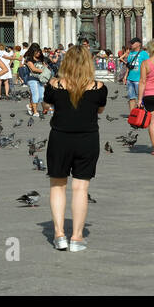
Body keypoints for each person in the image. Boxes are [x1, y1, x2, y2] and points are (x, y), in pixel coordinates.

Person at [44, 46, 107, 252]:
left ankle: (59, 235)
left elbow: (46, 105)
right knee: (81, 188)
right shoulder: (99, 87)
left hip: (60, 138)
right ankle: (77, 237)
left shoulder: (54, 84)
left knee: (57, 186)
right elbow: (99, 109)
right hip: (87, 139)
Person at [123, 38, 146, 114]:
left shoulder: (144, 53)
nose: (131, 45)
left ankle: (141, 115)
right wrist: (125, 76)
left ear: (139, 44)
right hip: (130, 79)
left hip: (139, 79)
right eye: (131, 43)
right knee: (131, 98)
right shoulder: (131, 53)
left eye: (133, 43)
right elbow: (128, 66)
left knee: (141, 98)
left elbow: (148, 65)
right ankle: (132, 114)